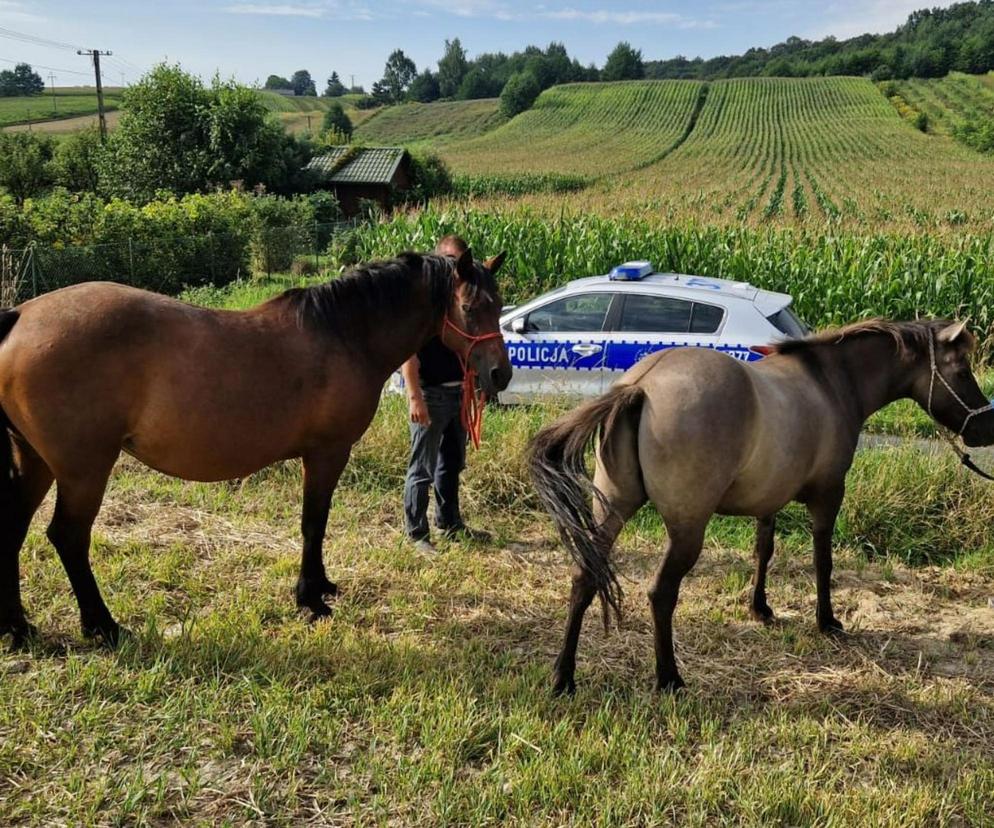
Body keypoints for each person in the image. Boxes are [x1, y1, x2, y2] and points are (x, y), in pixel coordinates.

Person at [402, 235, 490, 552]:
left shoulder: (461, 304)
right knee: (421, 467)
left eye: (460, 260)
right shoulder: (424, 307)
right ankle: (416, 533)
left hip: (459, 395)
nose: (456, 267)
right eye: (451, 260)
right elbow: (408, 355)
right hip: (430, 395)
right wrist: (415, 398)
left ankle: (450, 523)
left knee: (451, 463)